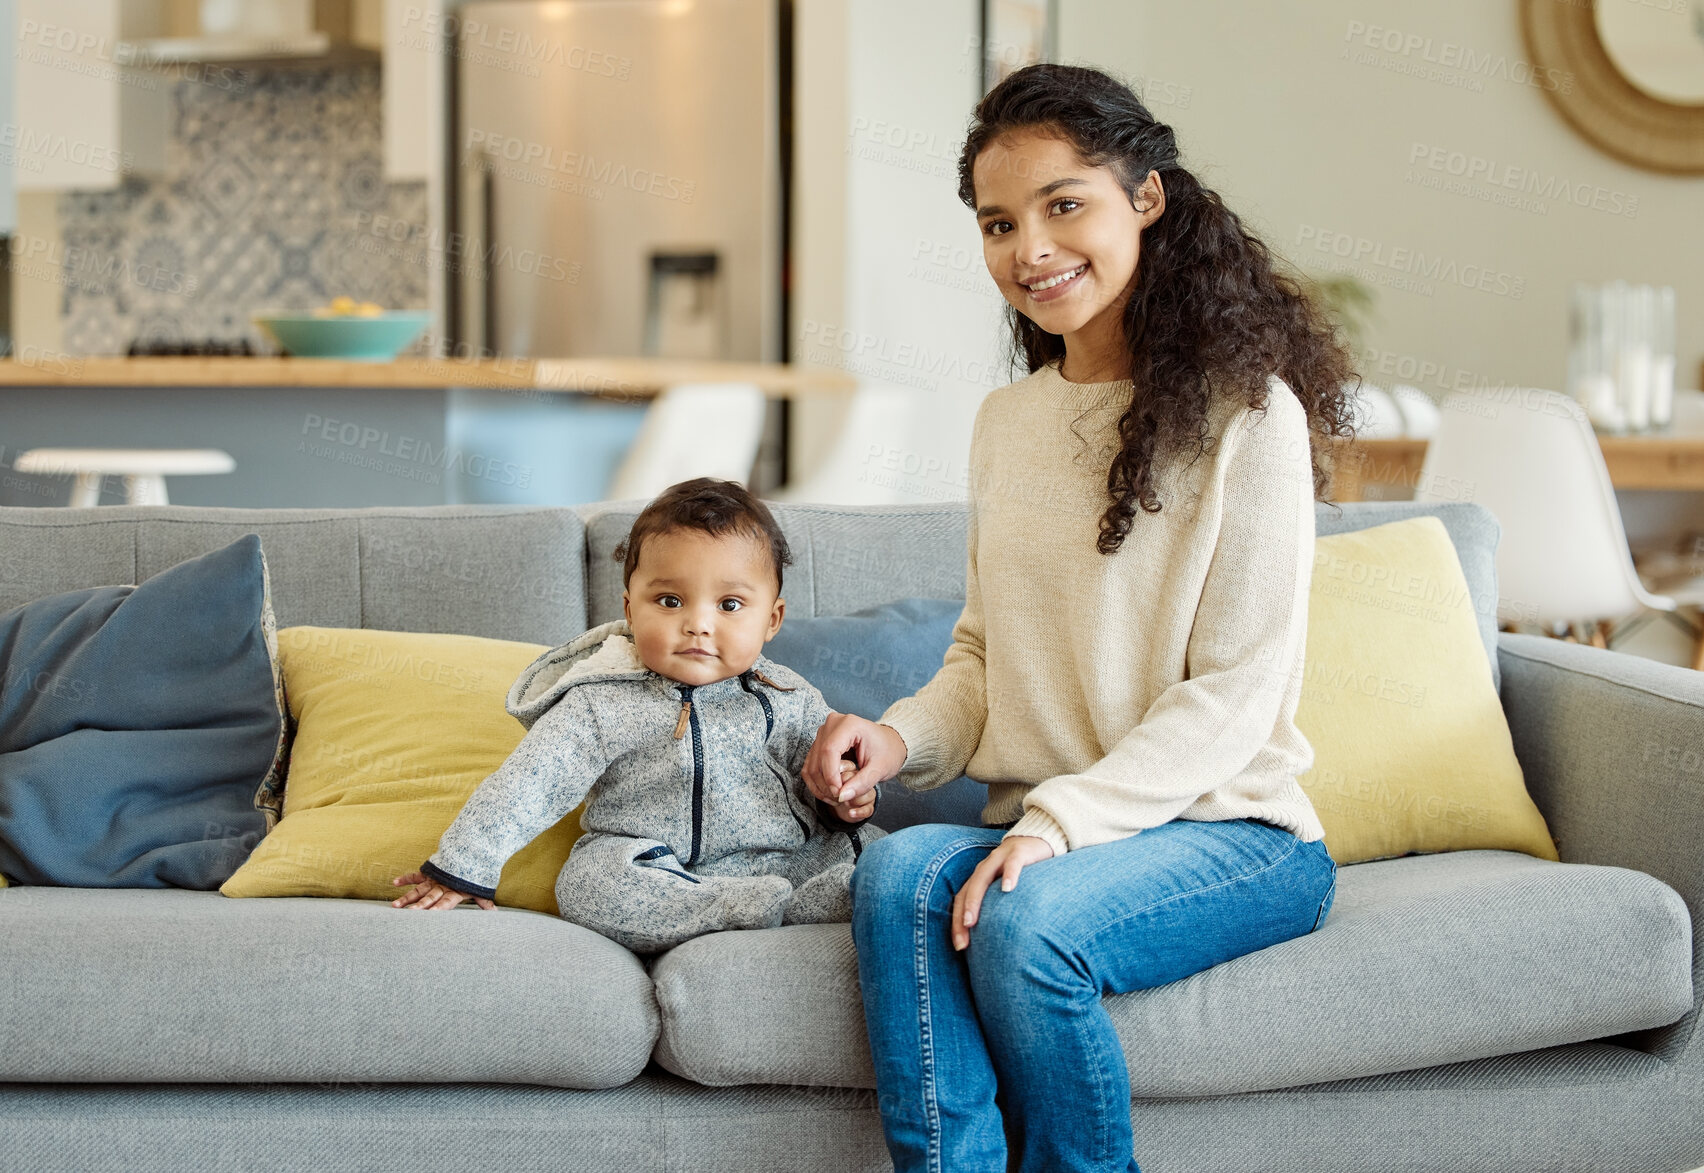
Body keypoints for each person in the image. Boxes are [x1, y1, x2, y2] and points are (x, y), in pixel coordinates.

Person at [800, 63, 1356, 1172]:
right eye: (1000, 223)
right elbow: (983, 656)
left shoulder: (1250, 417)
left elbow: (1236, 692)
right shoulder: (1008, 422)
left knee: (1028, 924)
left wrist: (1054, 826)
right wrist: (897, 739)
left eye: (1065, 205)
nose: (1030, 249)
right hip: (1054, 832)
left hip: (1231, 835)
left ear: (1144, 198)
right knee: (899, 877)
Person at [392, 476, 881, 955]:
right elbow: (529, 784)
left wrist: (846, 796)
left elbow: (829, 775)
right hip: (651, 866)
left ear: (771, 619)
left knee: (877, 860)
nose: (698, 624)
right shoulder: (600, 702)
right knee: (587, 884)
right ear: (631, 609)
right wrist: (462, 864)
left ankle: (788, 902)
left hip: (781, 862)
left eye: (730, 604)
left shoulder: (788, 696)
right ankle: (725, 908)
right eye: (670, 601)